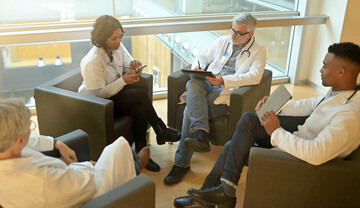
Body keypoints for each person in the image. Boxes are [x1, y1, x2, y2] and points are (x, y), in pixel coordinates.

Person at [174, 42, 360, 208]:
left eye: (325, 66)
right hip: (296, 140)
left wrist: (276, 132)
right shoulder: (339, 93)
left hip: (301, 162)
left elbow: (316, 154)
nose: (320, 70)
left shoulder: (349, 115)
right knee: (248, 120)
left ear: (341, 72)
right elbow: (311, 104)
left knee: (234, 144)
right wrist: (275, 105)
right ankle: (221, 193)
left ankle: (222, 194)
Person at [164, 12, 266, 185]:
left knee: (190, 109)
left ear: (251, 34)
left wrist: (224, 80)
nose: (233, 35)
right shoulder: (223, 41)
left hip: (227, 91)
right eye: (232, 29)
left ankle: (183, 160)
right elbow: (204, 55)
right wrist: (199, 65)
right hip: (208, 82)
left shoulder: (259, 51)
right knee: (193, 83)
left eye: (239, 33)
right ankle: (200, 134)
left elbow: (255, 76)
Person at [0, 99, 150, 208]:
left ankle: (133, 163)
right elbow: (90, 186)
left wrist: (57, 143)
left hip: (66, 184)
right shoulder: (40, 181)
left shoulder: (7, 149)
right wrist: (74, 166)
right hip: (90, 196)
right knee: (118, 148)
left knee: (121, 154)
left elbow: (32, 141)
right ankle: (135, 167)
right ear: (19, 140)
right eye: (29, 126)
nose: (30, 130)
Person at [78, 15, 180, 172]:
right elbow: (100, 94)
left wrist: (134, 65)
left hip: (113, 96)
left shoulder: (117, 48)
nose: (118, 41)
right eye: (114, 38)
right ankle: (161, 130)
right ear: (102, 38)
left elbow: (128, 63)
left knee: (139, 110)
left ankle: (141, 155)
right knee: (140, 94)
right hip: (98, 106)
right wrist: (124, 81)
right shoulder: (93, 61)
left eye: (120, 36)